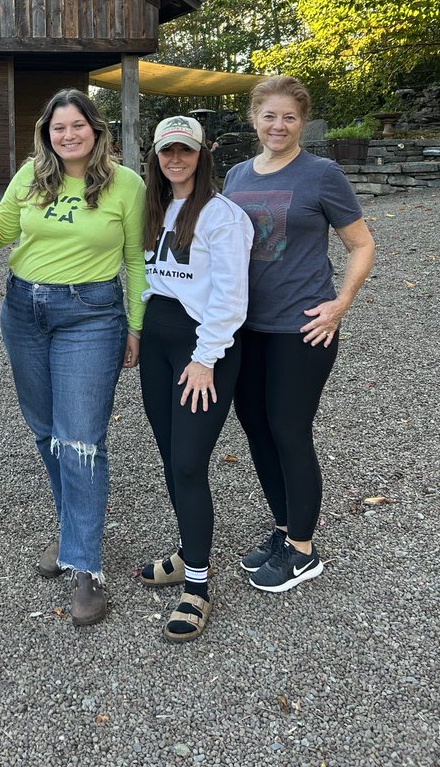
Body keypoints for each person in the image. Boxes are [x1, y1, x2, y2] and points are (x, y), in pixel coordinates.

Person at [0, 88, 146, 627]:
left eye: (77, 126)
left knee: (81, 439)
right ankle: (70, 534)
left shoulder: (126, 185)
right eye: (58, 128)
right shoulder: (30, 178)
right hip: (24, 310)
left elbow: (135, 257)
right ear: (46, 133)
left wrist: (136, 325)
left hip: (91, 315)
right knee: (44, 429)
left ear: (95, 129)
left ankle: (86, 565)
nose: (67, 135)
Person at [224, 76, 376, 592]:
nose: (278, 126)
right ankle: (285, 528)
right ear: (254, 118)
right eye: (269, 115)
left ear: (302, 123)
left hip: (303, 327)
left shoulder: (322, 174)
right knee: (257, 428)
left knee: (288, 428)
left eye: (289, 117)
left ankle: (305, 551)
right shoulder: (236, 176)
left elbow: (361, 244)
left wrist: (341, 304)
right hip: (247, 327)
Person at [137, 116, 254, 641]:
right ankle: (188, 553)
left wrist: (205, 357)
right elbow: (150, 274)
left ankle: (199, 586)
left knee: (188, 461)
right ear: (156, 156)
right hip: (159, 338)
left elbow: (231, 297)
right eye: (167, 151)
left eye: (185, 150)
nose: (175, 159)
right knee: (169, 455)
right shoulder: (155, 206)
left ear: (202, 154)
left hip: (200, 347)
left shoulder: (221, 214)